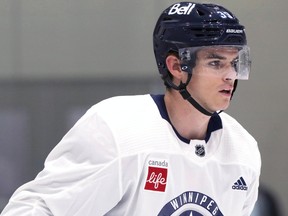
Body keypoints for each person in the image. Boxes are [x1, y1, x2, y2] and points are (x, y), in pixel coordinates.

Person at [1, 2, 261, 216]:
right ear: (176, 66)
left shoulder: (243, 149)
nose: (230, 76)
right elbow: (34, 209)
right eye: (216, 63)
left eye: (235, 63)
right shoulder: (118, 130)